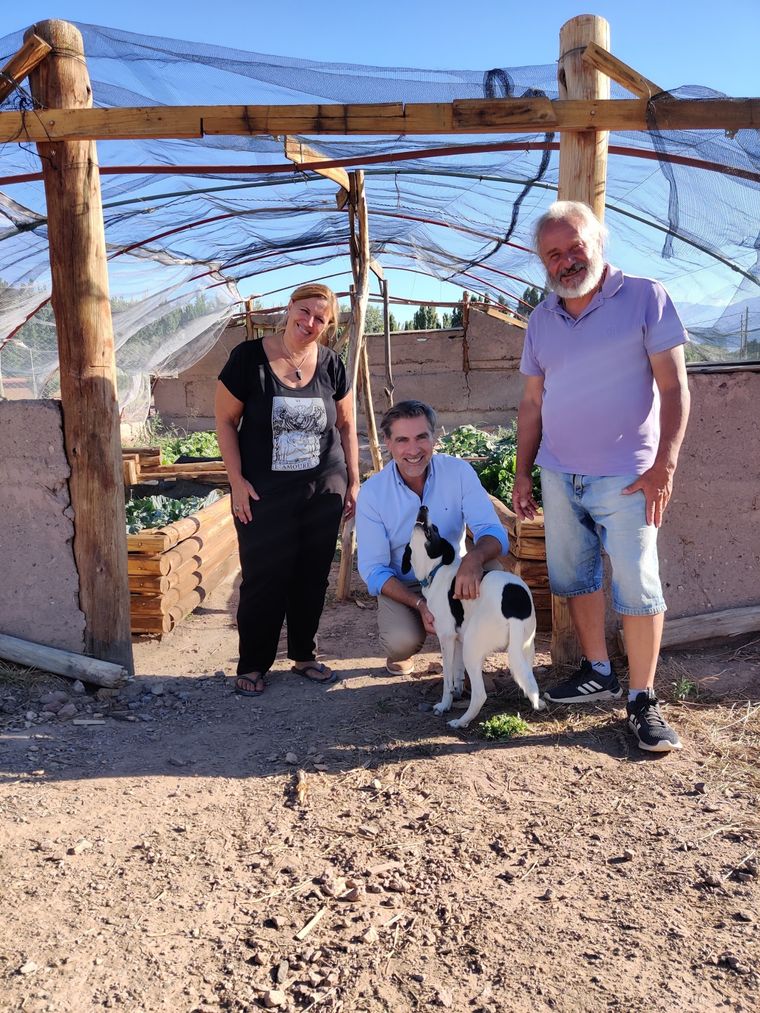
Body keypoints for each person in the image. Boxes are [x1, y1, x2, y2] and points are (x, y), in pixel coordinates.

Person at [514, 200, 690, 752]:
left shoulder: (644, 297)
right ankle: (597, 670)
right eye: (553, 254)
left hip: (629, 477)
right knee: (574, 579)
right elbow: (531, 403)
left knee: (637, 585)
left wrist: (665, 464)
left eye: (575, 247)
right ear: (543, 263)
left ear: (597, 244)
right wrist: (522, 471)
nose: (566, 261)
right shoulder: (542, 318)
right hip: (561, 475)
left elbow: (675, 388)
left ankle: (643, 698)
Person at [215, 282, 359, 696]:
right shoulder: (248, 359)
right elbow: (225, 421)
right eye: (305, 311)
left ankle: (304, 654)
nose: (309, 322)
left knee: (312, 576)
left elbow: (347, 424)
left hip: (323, 488)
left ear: (327, 326)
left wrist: (354, 479)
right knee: (264, 575)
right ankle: (254, 663)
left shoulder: (332, 363)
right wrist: (237, 482)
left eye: (320, 318)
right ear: (290, 307)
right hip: (263, 492)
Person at [356, 400, 508, 675]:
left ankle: (469, 649)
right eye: (402, 440)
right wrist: (421, 604)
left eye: (421, 437)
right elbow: (374, 569)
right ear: (388, 444)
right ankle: (404, 646)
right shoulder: (372, 493)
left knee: (494, 573)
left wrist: (473, 559)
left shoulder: (458, 473)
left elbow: (493, 532)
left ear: (434, 438)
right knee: (401, 641)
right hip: (407, 586)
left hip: (454, 576)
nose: (413, 450)